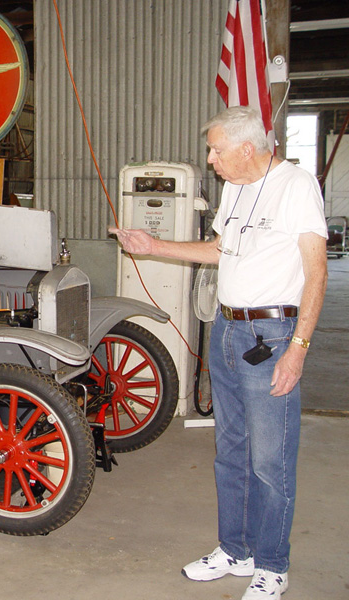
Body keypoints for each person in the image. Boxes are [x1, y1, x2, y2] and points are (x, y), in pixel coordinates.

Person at [109, 106, 327, 600]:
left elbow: (317, 274)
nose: (211, 159)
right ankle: (237, 549)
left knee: (270, 459)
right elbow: (221, 250)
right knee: (230, 451)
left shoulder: (296, 186)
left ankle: (272, 564)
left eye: (217, 150)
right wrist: (154, 246)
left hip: (273, 337)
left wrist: (298, 350)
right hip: (229, 331)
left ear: (247, 149)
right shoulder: (235, 188)